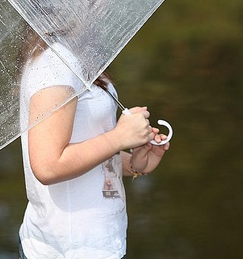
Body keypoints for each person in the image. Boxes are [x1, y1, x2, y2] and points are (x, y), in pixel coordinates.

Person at [18, 31, 170, 259]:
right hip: (70, 249)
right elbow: (48, 166)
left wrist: (135, 164)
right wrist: (119, 137)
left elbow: (85, 146)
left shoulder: (74, 51)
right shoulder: (55, 65)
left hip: (100, 244)